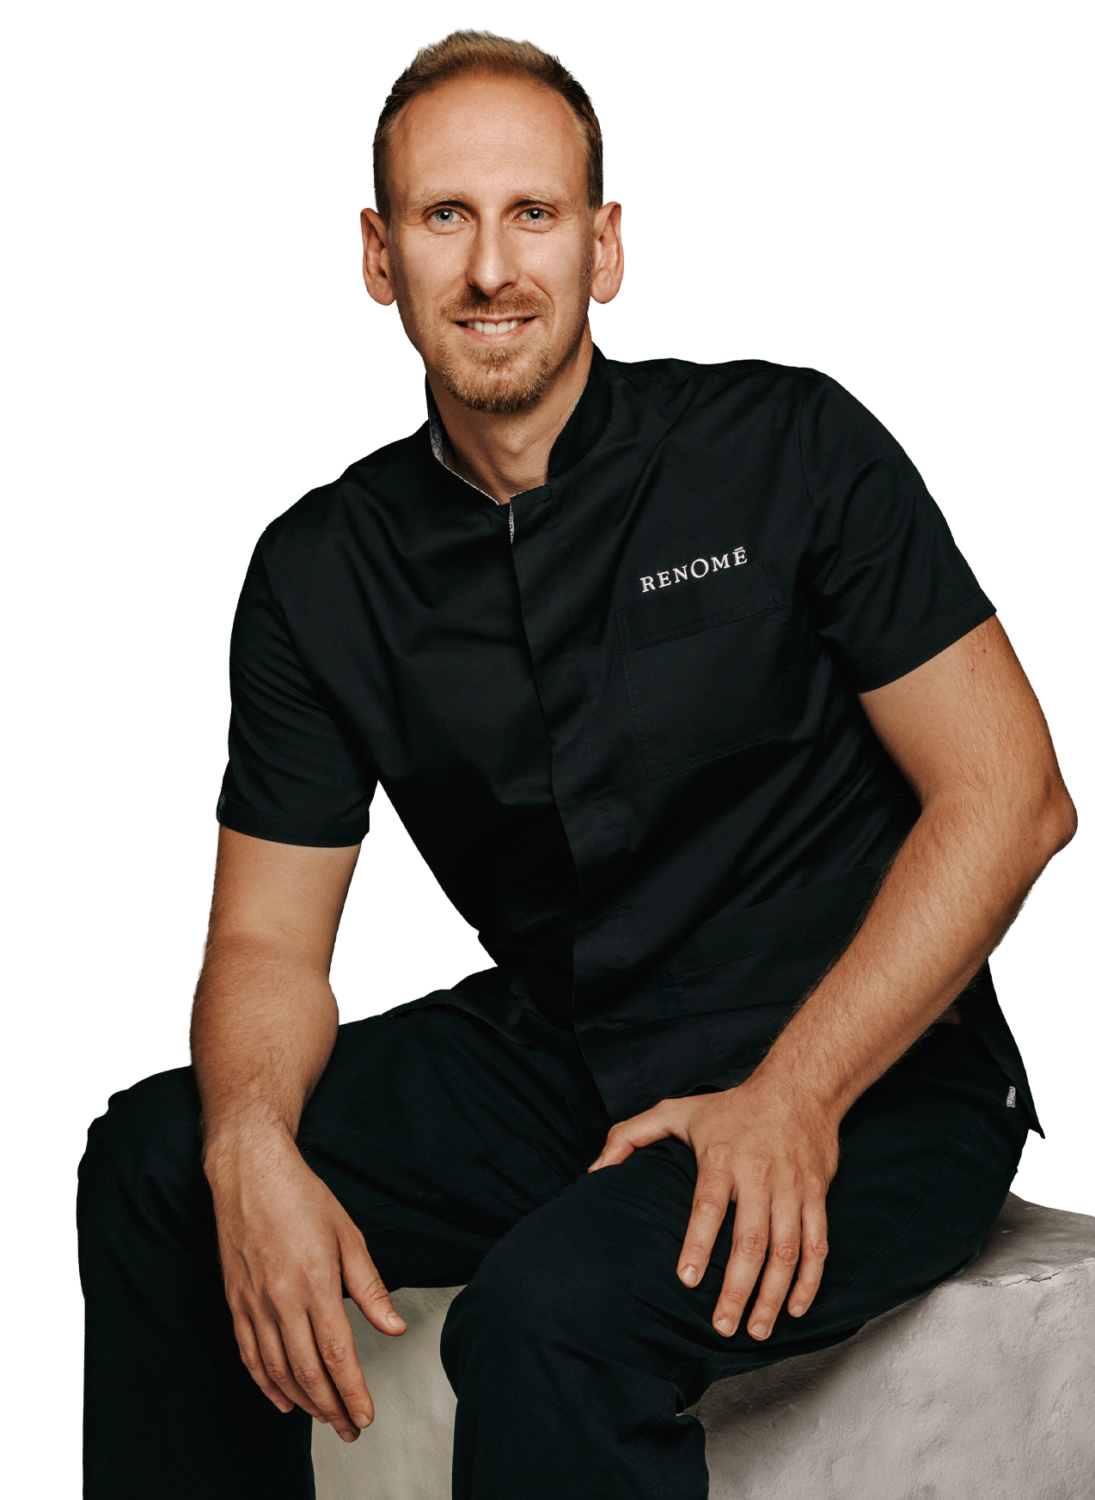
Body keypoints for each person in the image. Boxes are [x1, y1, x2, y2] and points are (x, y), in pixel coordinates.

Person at [78, 28, 1077, 1500]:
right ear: (379, 258)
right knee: (158, 1157)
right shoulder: (317, 570)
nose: (492, 268)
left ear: (603, 248)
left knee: (548, 1318)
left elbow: (1010, 798)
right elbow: (264, 943)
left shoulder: (791, 439)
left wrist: (792, 1098)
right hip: (571, 1052)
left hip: (875, 1079)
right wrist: (248, 1143)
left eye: (533, 213)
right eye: (445, 216)